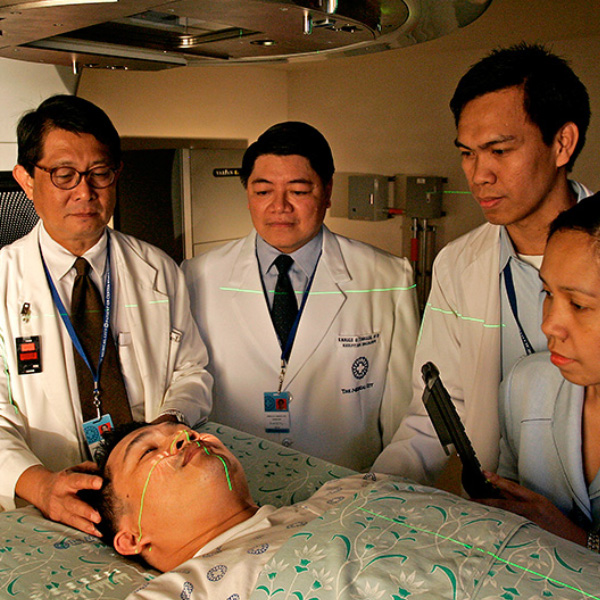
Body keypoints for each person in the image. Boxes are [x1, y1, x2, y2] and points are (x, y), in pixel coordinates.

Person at [373, 42, 593, 483]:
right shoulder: (458, 265)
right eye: (467, 153)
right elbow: (432, 417)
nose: (478, 175)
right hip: (504, 512)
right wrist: (369, 492)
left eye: (499, 150)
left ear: (562, 143)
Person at [0, 95, 213, 536]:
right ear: (25, 178)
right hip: (44, 508)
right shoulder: (2, 280)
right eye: (64, 175)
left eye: (100, 173)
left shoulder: (158, 269)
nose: (85, 192)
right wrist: (39, 486)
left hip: (157, 496)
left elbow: (192, 369)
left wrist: (171, 420)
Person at [182, 121, 419, 471]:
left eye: (298, 191)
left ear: (327, 191)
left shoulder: (387, 277)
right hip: (235, 486)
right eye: (263, 192)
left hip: (347, 489)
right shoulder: (196, 276)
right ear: (247, 194)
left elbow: (406, 409)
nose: (280, 207)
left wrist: (383, 490)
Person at [85, 421, 377, 597]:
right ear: (132, 538)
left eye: (187, 431)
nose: (185, 438)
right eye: (148, 451)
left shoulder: (349, 491)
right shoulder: (177, 594)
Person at [479, 195, 600, 552]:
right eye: (547, 293)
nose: (548, 324)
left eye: (579, 305)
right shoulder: (526, 384)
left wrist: (579, 541)